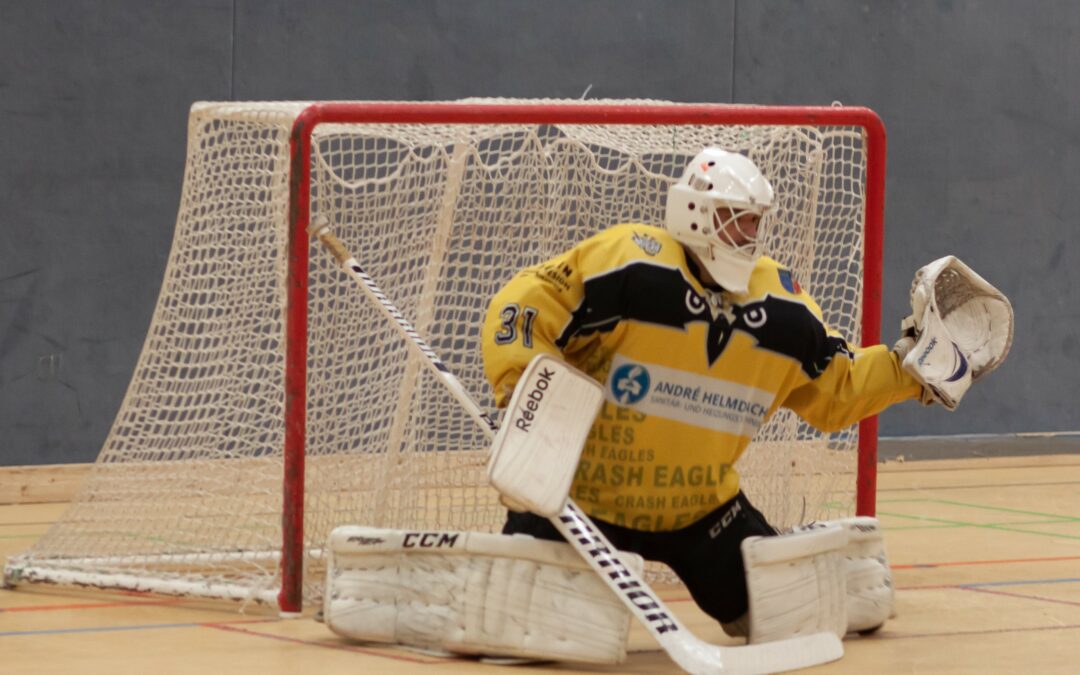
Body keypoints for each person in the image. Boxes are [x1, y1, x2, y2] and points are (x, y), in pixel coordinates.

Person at [479, 147, 926, 632]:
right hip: (576, 505)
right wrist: (524, 385)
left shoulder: (783, 303)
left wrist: (915, 367)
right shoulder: (627, 263)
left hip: (701, 510)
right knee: (532, 631)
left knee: (776, 623)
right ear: (692, 212)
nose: (748, 235)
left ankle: (807, 562)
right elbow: (521, 305)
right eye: (736, 219)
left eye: (755, 223)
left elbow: (839, 386)